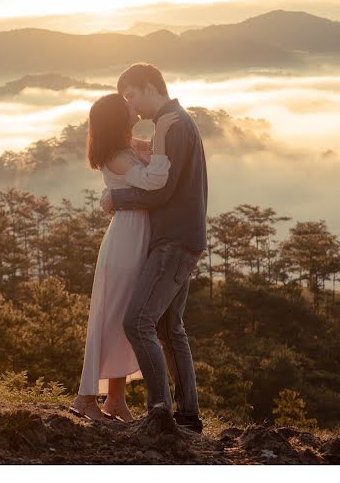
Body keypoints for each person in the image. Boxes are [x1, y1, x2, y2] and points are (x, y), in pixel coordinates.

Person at [99, 63, 208, 433]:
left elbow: (162, 189)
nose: (133, 107)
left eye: (131, 96)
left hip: (173, 240)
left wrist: (117, 197)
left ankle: (160, 412)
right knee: (168, 327)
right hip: (185, 237)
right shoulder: (178, 121)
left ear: (149, 87)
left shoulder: (170, 124)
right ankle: (188, 418)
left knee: (137, 321)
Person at [69, 93, 179, 422]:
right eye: (127, 106)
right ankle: (85, 399)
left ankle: (115, 401)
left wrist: (155, 140)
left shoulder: (125, 147)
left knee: (122, 323)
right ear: (117, 117)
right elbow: (154, 181)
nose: (134, 108)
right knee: (111, 320)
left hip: (135, 238)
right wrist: (159, 137)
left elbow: (147, 159)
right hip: (125, 243)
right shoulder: (117, 155)